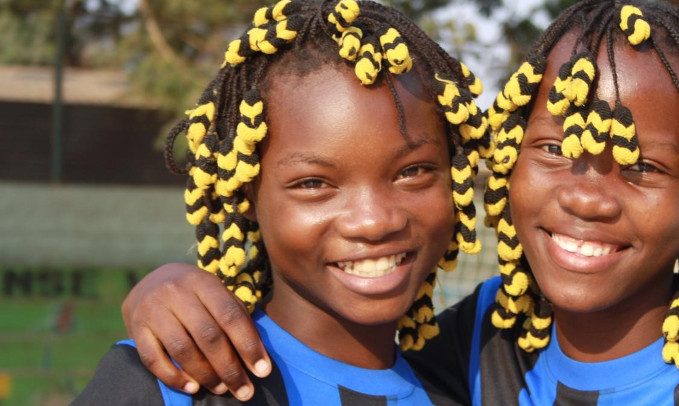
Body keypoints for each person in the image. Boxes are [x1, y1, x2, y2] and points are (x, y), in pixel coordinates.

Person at [118, 1, 679, 405]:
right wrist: (167, 285)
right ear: (505, 158)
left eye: (641, 167)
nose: (586, 198)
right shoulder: (481, 341)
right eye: (553, 150)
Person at [71, 0, 488, 404]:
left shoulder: (473, 381)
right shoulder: (172, 382)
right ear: (246, 191)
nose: (373, 221)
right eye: (313, 183)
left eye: (411, 171)